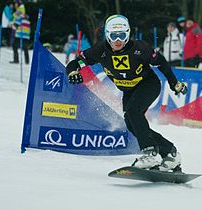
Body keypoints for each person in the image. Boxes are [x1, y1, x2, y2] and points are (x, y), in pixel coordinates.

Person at [66, 14, 187, 171]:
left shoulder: (140, 48)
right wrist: (72, 72)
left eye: (122, 35)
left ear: (128, 34)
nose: (118, 40)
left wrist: (174, 83)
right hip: (128, 90)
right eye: (114, 35)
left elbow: (162, 62)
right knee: (131, 124)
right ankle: (170, 152)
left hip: (148, 84)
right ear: (107, 35)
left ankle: (149, 153)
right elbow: (76, 62)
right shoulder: (100, 51)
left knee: (133, 111)